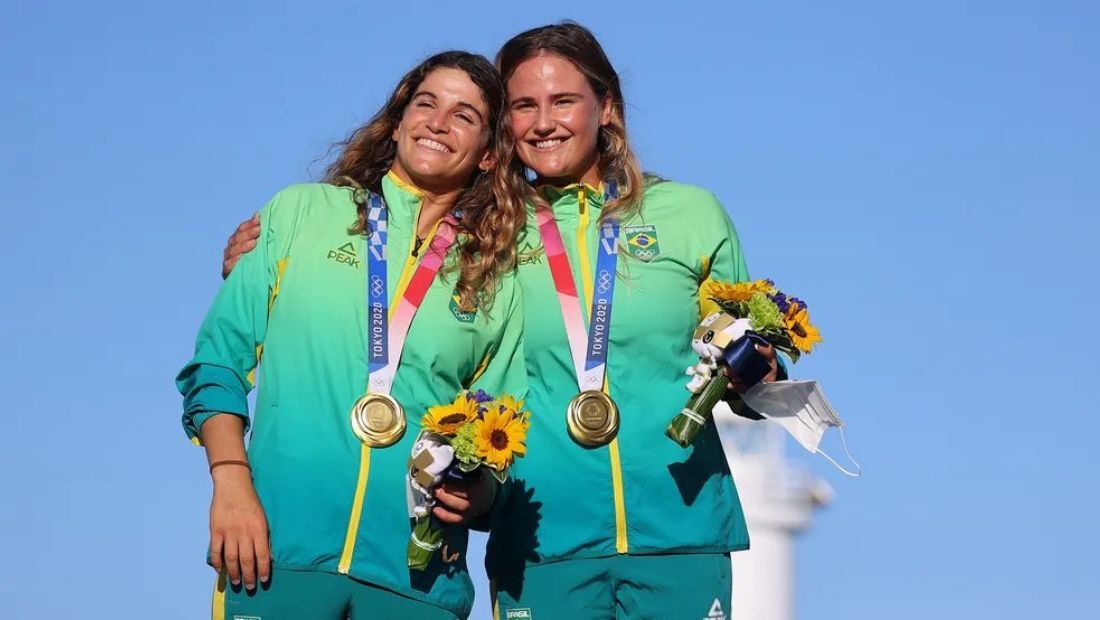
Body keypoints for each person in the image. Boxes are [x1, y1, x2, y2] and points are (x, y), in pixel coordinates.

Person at [222, 22, 777, 620]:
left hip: (681, 528)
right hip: (538, 543)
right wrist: (257, 258)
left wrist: (760, 373)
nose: (544, 122)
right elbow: (380, 286)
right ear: (503, 128)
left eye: (564, 100)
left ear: (607, 108)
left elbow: (744, 365)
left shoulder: (692, 214)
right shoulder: (488, 236)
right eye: (522, 106)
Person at [179, 50, 527, 620]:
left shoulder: (494, 274)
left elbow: (505, 420)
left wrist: (482, 490)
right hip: (273, 555)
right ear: (396, 122)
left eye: (464, 115)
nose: (439, 122)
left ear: (489, 154)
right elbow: (217, 362)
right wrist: (231, 482)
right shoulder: (299, 215)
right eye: (426, 104)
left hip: (417, 582)